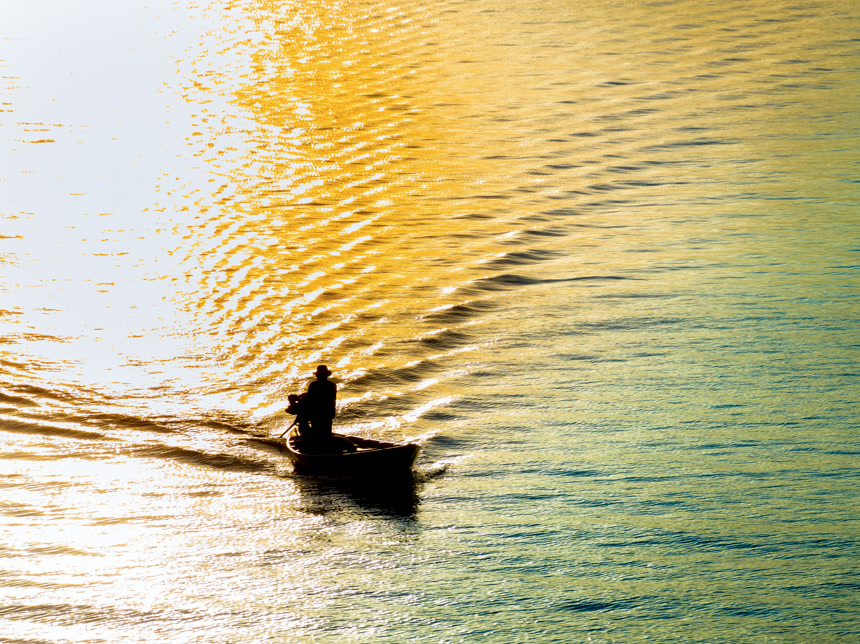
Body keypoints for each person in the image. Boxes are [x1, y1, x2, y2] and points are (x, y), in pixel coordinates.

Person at [307, 364, 337, 439]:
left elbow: (310, 400)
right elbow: (333, 399)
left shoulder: (313, 385)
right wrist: (332, 411)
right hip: (327, 412)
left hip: (316, 412)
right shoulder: (332, 385)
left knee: (316, 432)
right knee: (326, 432)